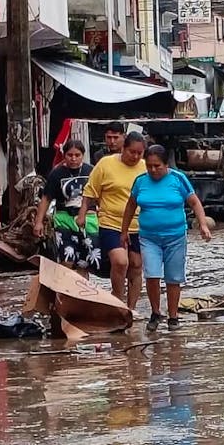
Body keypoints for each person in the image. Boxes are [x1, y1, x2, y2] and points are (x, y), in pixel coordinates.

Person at [121, 145, 212, 332]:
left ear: (166, 164)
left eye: (157, 166)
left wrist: (202, 224)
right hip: (148, 237)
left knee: (173, 277)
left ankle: (173, 316)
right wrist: (124, 232)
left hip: (175, 237)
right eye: (149, 166)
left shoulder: (178, 179)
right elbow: (130, 207)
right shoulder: (140, 181)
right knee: (152, 275)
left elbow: (194, 202)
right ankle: (155, 313)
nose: (153, 170)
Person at [78, 131, 148, 315]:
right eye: (132, 152)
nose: (135, 156)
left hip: (138, 225)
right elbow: (89, 192)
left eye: (139, 153)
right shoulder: (106, 164)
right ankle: (117, 300)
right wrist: (82, 215)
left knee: (136, 264)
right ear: (123, 148)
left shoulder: (146, 168)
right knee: (120, 261)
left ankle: (130, 309)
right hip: (111, 222)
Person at [34, 140, 100, 278]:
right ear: (64, 155)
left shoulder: (92, 171)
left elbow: (101, 195)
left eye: (77, 155)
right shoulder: (56, 174)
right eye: (70, 155)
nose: (74, 159)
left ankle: (82, 293)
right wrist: (39, 222)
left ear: (83, 155)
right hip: (64, 218)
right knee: (66, 258)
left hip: (88, 219)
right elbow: (46, 198)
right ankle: (64, 292)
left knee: (85, 261)